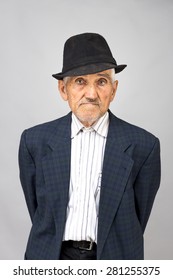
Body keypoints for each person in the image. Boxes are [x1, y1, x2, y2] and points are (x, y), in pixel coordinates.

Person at [18, 33, 161, 260]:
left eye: (101, 81)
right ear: (64, 90)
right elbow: (40, 212)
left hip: (115, 258)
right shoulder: (34, 141)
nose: (91, 94)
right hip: (50, 258)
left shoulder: (144, 146)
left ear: (113, 90)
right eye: (80, 81)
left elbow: (138, 217)